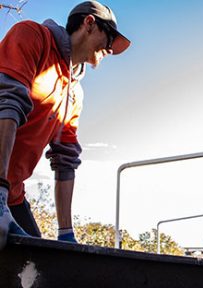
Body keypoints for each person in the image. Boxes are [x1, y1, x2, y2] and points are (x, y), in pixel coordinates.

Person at [0, 1, 130, 248]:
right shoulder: (32, 36)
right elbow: (7, 104)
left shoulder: (74, 94)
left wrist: (66, 233)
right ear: (89, 24)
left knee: (39, 266)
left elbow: (65, 158)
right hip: (1, 190)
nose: (110, 50)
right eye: (110, 38)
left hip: (12, 194)